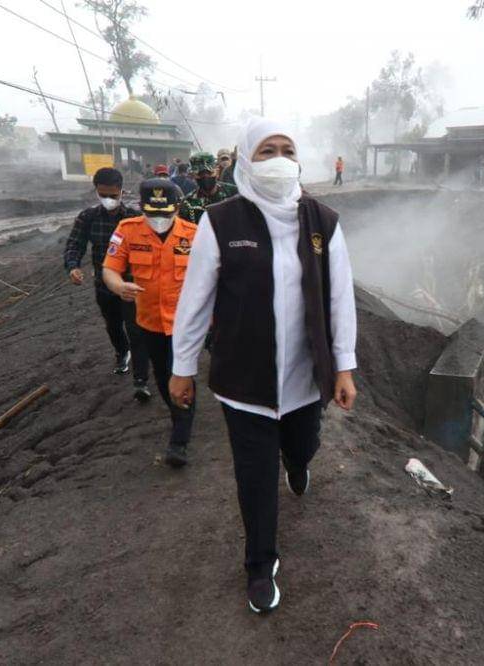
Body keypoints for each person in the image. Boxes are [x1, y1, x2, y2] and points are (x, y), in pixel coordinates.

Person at [170, 117, 357, 615]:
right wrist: (182, 366)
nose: (278, 159)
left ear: (298, 160)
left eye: (287, 149)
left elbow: (340, 299)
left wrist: (344, 367)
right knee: (254, 476)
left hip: (304, 377)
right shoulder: (222, 221)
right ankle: (259, 564)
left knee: (303, 445)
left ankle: (298, 464)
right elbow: (194, 300)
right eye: (266, 150)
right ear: (248, 160)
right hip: (243, 381)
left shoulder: (323, 221)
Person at [102, 178, 197, 467]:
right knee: (162, 376)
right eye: (152, 214)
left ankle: (179, 441)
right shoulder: (127, 231)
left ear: (177, 208)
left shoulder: (194, 235)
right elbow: (110, 268)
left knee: (181, 374)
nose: (158, 220)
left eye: (165, 214)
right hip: (150, 322)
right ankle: (179, 411)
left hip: (185, 324)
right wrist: (118, 287)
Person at [63, 167, 150, 400]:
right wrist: (73, 266)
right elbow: (75, 243)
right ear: (96, 192)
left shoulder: (135, 218)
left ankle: (141, 380)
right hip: (104, 285)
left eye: (113, 195)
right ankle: (122, 353)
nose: (109, 200)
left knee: (136, 329)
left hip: (131, 285)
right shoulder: (88, 218)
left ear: (121, 191)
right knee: (113, 324)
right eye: (103, 195)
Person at [178, 152, 239, 223]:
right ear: (193, 175)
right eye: (200, 174)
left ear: (217, 172)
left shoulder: (234, 193)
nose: (205, 177)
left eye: (209, 173)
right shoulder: (188, 203)